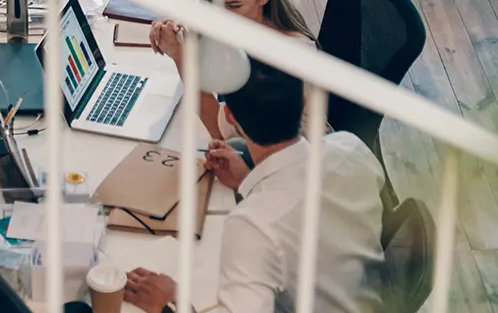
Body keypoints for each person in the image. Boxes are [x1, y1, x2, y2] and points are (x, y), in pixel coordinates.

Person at [123, 62, 386, 313]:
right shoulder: (351, 148)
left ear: (229, 116)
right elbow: (308, 208)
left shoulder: (253, 227)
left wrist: (172, 302)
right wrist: (248, 179)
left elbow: (282, 216)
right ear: (304, 99)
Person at [149, 0, 319, 147]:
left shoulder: (282, 61)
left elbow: (219, 131)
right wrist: (172, 29)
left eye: (234, 5)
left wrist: (180, 56)